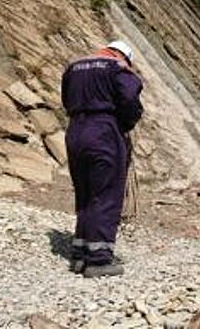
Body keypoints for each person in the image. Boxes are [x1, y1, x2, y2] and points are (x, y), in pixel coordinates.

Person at [61, 40, 143, 278]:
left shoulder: (74, 67)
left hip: (75, 130)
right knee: (105, 193)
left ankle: (80, 253)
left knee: (85, 192)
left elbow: (66, 99)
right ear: (124, 56)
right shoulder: (116, 67)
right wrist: (127, 123)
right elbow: (129, 97)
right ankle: (98, 259)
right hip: (104, 130)